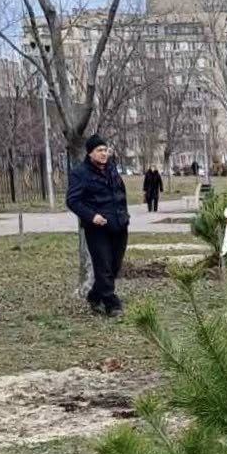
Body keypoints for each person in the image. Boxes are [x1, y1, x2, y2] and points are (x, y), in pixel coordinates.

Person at [66, 134, 130, 317]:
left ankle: (94, 296)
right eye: (99, 150)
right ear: (90, 153)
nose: (104, 153)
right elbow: (73, 201)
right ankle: (112, 304)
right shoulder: (80, 173)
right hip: (97, 229)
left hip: (119, 225)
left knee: (115, 266)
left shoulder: (112, 170)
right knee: (103, 266)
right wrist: (92, 216)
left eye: (105, 150)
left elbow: (120, 193)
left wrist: (124, 215)